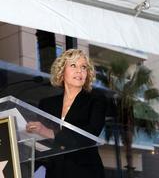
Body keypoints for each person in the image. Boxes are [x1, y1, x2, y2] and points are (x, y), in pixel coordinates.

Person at [26, 49, 106, 178]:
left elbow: (90, 134)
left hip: (85, 172)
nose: (79, 71)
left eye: (83, 67)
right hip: (55, 173)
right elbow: (41, 145)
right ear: (62, 71)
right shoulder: (47, 104)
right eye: (73, 65)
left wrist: (49, 132)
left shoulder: (96, 99)